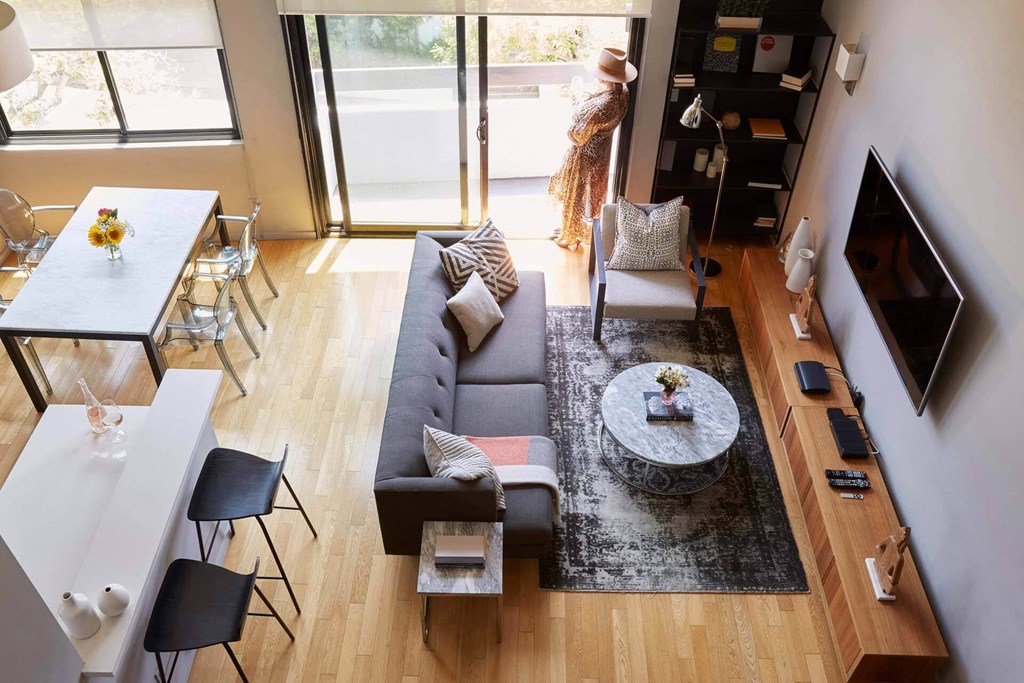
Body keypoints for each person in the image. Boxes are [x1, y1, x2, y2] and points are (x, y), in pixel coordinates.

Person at [548, 47, 637, 251]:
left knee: (576, 196)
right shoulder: (623, 94)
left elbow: (575, 134)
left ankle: (569, 236)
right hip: (602, 152)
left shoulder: (601, 106)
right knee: (593, 195)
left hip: (584, 155)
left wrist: (576, 102)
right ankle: (585, 233)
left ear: (604, 77)